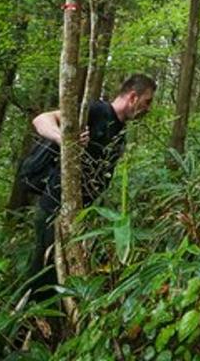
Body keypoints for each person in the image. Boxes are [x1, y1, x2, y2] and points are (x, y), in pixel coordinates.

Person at [26, 73, 156, 294]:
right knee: (42, 273)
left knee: (59, 276)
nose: (148, 108)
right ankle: (24, 321)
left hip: (76, 213)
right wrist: (64, 139)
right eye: (147, 101)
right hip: (54, 208)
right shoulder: (96, 111)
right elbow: (41, 120)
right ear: (133, 97)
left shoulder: (120, 130)